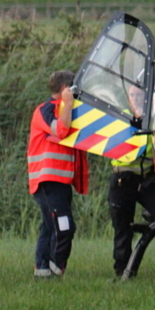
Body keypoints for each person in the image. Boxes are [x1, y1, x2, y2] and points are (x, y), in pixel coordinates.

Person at [107, 81, 155, 277]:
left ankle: (149, 222)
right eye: (133, 96)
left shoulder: (154, 119)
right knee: (122, 229)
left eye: (140, 96)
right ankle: (122, 271)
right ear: (128, 98)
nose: (137, 99)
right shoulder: (119, 118)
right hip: (123, 178)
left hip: (147, 179)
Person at [28, 70, 89, 278]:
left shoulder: (67, 110)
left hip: (61, 181)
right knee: (64, 226)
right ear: (66, 90)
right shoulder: (46, 110)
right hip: (47, 180)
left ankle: (42, 272)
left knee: (49, 226)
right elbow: (61, 131)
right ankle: (56, 268)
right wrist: (68, 104)